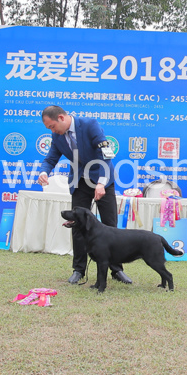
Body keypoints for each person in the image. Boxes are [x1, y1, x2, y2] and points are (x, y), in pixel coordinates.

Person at [37, 105, 131, 285]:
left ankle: (116, 269)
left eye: (52, 126)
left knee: (110, 225)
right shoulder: (57, 136)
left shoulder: (89, 125)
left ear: (61, 118)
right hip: (79, 182)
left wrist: (101, 183)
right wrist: (44, 172)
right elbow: (51, 158)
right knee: (77, 225)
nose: (52, 131)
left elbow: (106, 154)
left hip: (103, 179)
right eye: (49, 129)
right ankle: (78, 270)